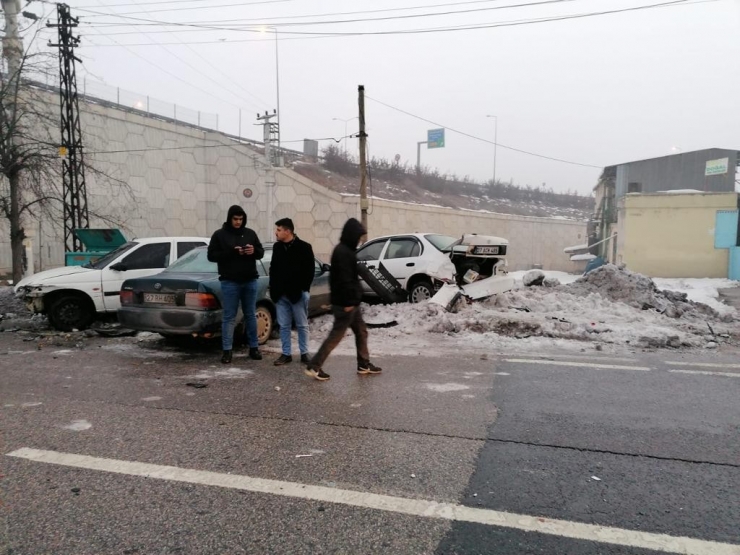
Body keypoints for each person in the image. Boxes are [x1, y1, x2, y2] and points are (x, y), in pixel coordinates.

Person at [305, 218, 382, 381]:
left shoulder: (346, 250)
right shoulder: (343, 252)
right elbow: (343, 280)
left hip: (350, 302)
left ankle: (363, 364)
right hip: (346, 304)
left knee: (361, 331)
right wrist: (348, 302)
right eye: (359, 236)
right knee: (336, 336)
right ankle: (314, 365)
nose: (360, 240)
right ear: (351, 235)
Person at [207, 205, 264, 364]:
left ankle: (254, 348)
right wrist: (232, 252)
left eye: (241, 219)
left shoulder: (250, 233)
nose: (238, 222)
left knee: (251, 315)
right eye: (235, 219)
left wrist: (254, 251)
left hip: (250, 280)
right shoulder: (219, 235)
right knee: (229, 317)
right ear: (229, 218)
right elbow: (211, 256)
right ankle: (227, 351)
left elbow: (261, 252)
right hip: (229, 281)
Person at [269, 218, 315, 366]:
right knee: (284, 325)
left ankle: (304, 353)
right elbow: (273, 269)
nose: (276, 232)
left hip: (297, 294)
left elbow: (310, 271)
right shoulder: (277, 247)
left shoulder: (304, 247)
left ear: (287, 231)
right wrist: (273, 289)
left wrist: (304, 290)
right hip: (280, 294)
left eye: (278, 230)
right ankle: (286, 354)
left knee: (302, 325)